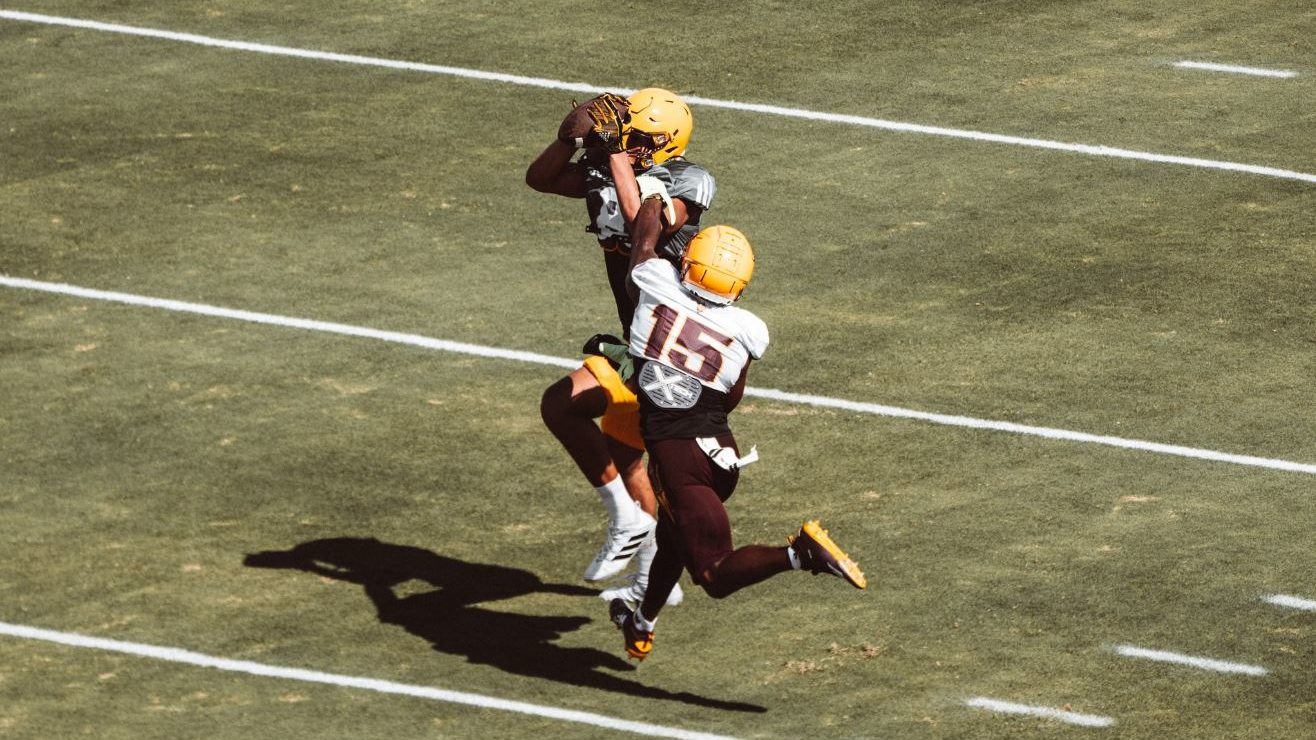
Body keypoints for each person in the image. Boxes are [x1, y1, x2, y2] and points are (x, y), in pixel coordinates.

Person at [606, 191, 867, 662]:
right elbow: (729, 398)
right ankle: (641, 623)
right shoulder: (748, 328)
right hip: (719, 455)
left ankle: (800, 554)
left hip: (680, 461)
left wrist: (656, 199)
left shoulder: (656, 279)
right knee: (673, 537)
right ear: (739, 288)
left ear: (688, 262)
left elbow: (641, 245)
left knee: (713, 575)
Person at [525, 89, 715, 603]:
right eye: (623, 131)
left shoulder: (689, 180)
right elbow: (540, 179)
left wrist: (612, 154)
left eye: (636, 135)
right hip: (639, 339)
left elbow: (641, 228)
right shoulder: (608, 167)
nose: (625, 139)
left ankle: (642, 537)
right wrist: (566, 140)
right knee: (628, 457)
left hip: (675, 349)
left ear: (665, 142)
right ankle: (651, 575)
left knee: (569, 409)